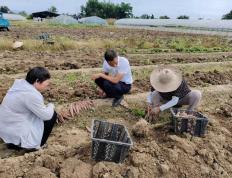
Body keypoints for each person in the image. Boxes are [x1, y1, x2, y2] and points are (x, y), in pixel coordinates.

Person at [0, 67, 58, 150]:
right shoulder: (31, 94)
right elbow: (46, 116)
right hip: (15, 130)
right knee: (52, 115)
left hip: (5, 127)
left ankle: (13, 142)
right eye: (46, 84)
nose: (47, 87)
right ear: (37, 81)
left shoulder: (20, 85)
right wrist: (51, 105)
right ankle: (36, 145)